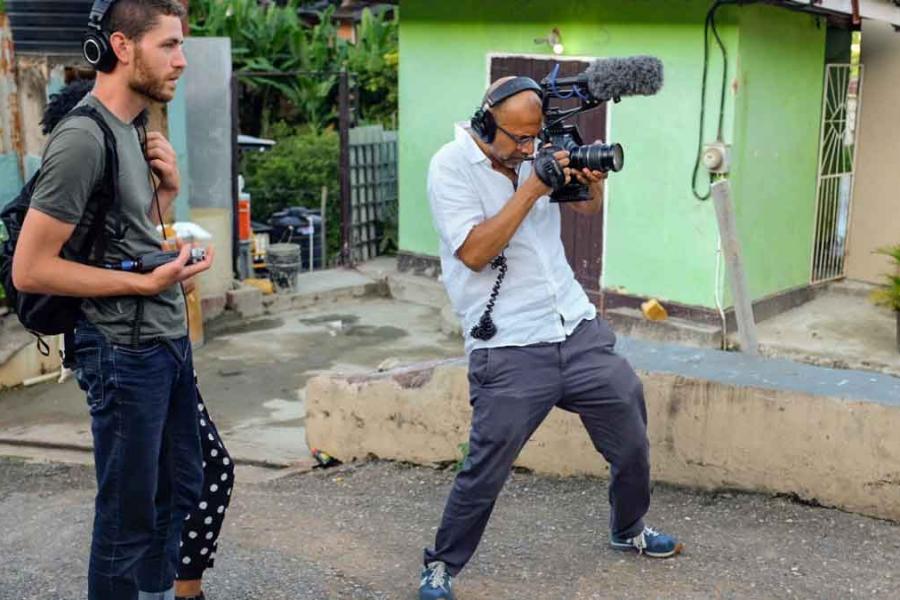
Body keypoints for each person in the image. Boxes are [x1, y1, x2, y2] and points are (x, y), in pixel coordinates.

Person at [418, 76, 681, 600]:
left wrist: (589, 184)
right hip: (509, 343)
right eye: (516, 139)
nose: (526, 148)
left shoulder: (537, 153)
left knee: (630, 430)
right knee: (487, 463)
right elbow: (473, 251)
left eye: (532, 138)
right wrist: (531, 185)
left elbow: (584, 209)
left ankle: (627, 527)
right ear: (484, 124)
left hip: (573, 325)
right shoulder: (450, 166)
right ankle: (441, 564)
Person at [12, 1, 216, 598]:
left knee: (178, 491)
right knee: (126, 524)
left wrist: (168, 198)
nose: (181, 61)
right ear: (122, 47)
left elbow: (126, 236)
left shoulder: (136, 129)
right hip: (123, 353)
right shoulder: (83, 136)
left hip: (164, 341)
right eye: (169, 46)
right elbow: (32, 269)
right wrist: (142, 285)